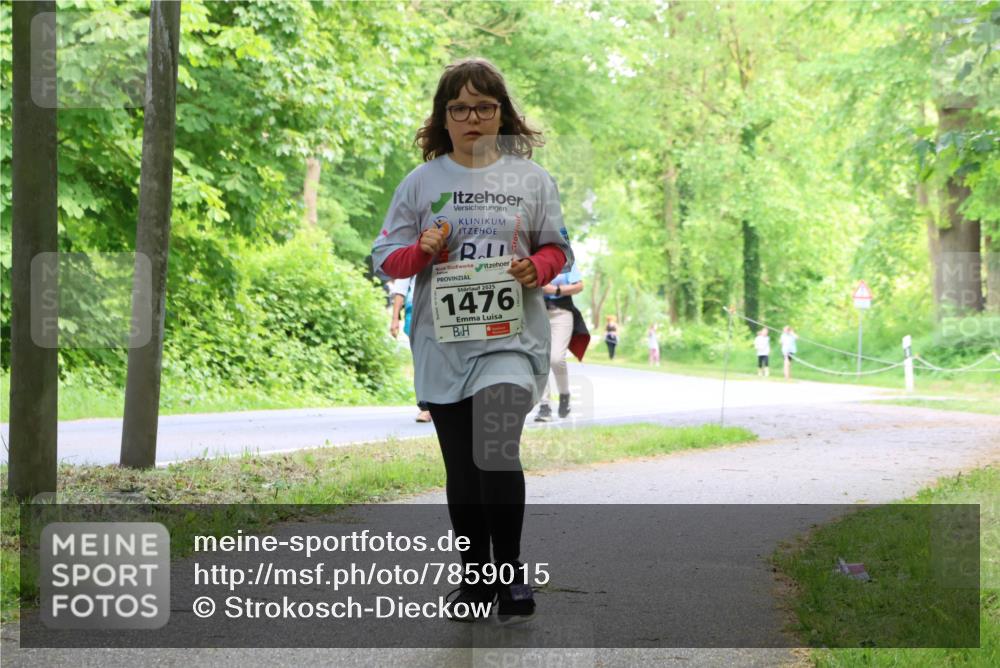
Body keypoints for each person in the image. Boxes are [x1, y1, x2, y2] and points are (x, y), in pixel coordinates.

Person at [371, 58, 573, 624]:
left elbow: (559, 249)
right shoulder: (422, 183)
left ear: (503, 114)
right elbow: (387, 257)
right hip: (443, 342)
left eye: (484, 106)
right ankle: (476, 581)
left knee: (496, 449)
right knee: (462, 467)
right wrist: (425, 251)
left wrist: (538, 266)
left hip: (510, 341)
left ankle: (509, 578)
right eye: (458, 108)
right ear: (444, 118)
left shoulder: (531, 180)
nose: (472, 118)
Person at [533, 264, 589, 422]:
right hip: (536, 313)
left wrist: (555, 290)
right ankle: (544, 406)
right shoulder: (532, 254)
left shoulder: (565, 260)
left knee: (556, 358)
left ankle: (564, 395)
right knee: (540, 359)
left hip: (561, 313)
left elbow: (579, 286)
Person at [389, 277, 432, 422]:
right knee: (422, 360)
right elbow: (400, 290)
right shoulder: (412, 256)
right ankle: (426, 407)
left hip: (444, 307)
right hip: (415, 312)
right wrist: (395, 319)